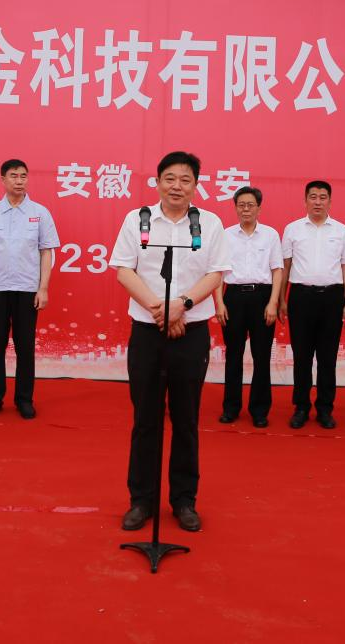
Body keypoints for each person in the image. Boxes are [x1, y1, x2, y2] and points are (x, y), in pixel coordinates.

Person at [109, 151, 230, 533]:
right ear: (158, 181)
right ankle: (141, 500)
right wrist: (159, 308)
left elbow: (215, 273)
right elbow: (123, 269)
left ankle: (184, 500)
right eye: (170, 179)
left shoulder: (209, 223)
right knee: (145, 419)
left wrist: (182, 306)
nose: (177, 186)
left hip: (191, 333)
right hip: (148, 330)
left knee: (186, 420)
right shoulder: (138, 219)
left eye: (185, 180)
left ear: (196, 185)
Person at [0, 158, 61, 420]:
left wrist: (43, 288)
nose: (19, 181)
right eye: (13, 176)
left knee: (25, 347)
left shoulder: (40, 213)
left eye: (23, 176)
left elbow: (46, 252)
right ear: (3, 180)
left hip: (27, 289)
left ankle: (24, 399)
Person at [279, 180, 345, 430]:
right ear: (305, 201)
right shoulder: (293, 229)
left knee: (327, 357)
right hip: (301, 297)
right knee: (301, 356)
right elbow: (285, 266)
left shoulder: (341, 231)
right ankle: (301, 407)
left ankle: (325, 408)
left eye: (323, 197)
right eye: (313, 197)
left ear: (330, 201)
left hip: (332, 298)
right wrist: (281, 299)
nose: (318, 202)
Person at [212, 186, 282, 428]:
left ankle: (259, 410)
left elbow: (277, 270)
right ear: (235, 208)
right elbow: (218, 271)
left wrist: (273, 302)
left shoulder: (270, 235)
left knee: (262, 356)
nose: (245, 209)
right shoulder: (226, 235)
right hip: (233, 297)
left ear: (259, 208)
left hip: (262, 297)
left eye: (250, 205)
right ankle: (231, 407)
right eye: (241, 205)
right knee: (233, 354)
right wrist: (219, 302)